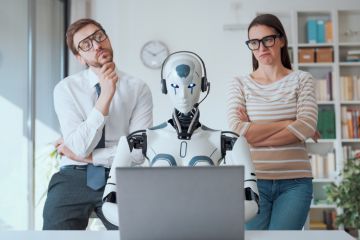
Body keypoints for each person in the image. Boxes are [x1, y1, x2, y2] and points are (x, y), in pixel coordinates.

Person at [100, 51, 260, 226]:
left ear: (203, 85)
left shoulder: (228, 141)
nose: (183, 95)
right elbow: (109, 201)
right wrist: (140, 221)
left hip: (205, 231)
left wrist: (216, 221)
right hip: (157, 230)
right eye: (175, 87)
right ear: (165, 87)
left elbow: (252, 201)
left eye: (191, 86)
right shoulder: (139, 140)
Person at [42, 18, 153, 230]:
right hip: (73, 175)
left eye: (99, 36)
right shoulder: (65, 89)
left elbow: (138, 152)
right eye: (86, 44)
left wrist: (90, 157)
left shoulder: (138, 88)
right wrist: (106, 96)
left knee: (138, 232)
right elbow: (79, 146)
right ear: (79, 57)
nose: (96, 45)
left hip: (119, 175)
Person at [226, 14, 319, 230]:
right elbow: (238, 131)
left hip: (295, 184)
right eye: (254, 42)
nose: (261, 47)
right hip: (252, 182)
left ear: (281, 40)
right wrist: (288, 122)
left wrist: (254, 133)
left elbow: (306, 125)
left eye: (268, 39)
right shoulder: (239, 83)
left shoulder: (302, 79)